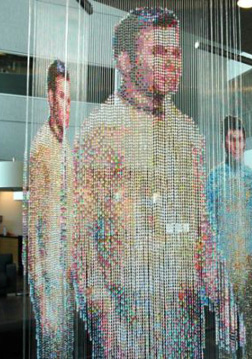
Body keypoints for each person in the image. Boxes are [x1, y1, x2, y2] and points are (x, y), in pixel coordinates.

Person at [72, 8, 215, 357]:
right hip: (128, 318)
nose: (171, 63)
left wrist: (219, 292)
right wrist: (110, 330)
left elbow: (201, 224)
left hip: (184, 314)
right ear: (124, 61)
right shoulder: (100, 132)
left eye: (176, 53)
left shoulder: (188, 133)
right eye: (158, 52)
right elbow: (81, 244)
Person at [206, 116, 252, 359]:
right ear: (225, 142)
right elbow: (209, 226)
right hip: (226, 263)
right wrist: (213, 268)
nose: (236, 145)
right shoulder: (214, 178)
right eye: (232, 139)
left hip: (250, 261)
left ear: (245, 144)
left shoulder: (251, 178)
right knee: (227, 325)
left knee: (251, 324)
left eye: (240, 140)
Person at [26, 59, 74, 359]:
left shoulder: (66, 148)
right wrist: (41, 302)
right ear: (48, 97)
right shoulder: (41, 149)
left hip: (67, 276)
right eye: (61, 98)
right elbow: (32, 231)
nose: (66, 107)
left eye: (70, 99)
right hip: (50, 278)